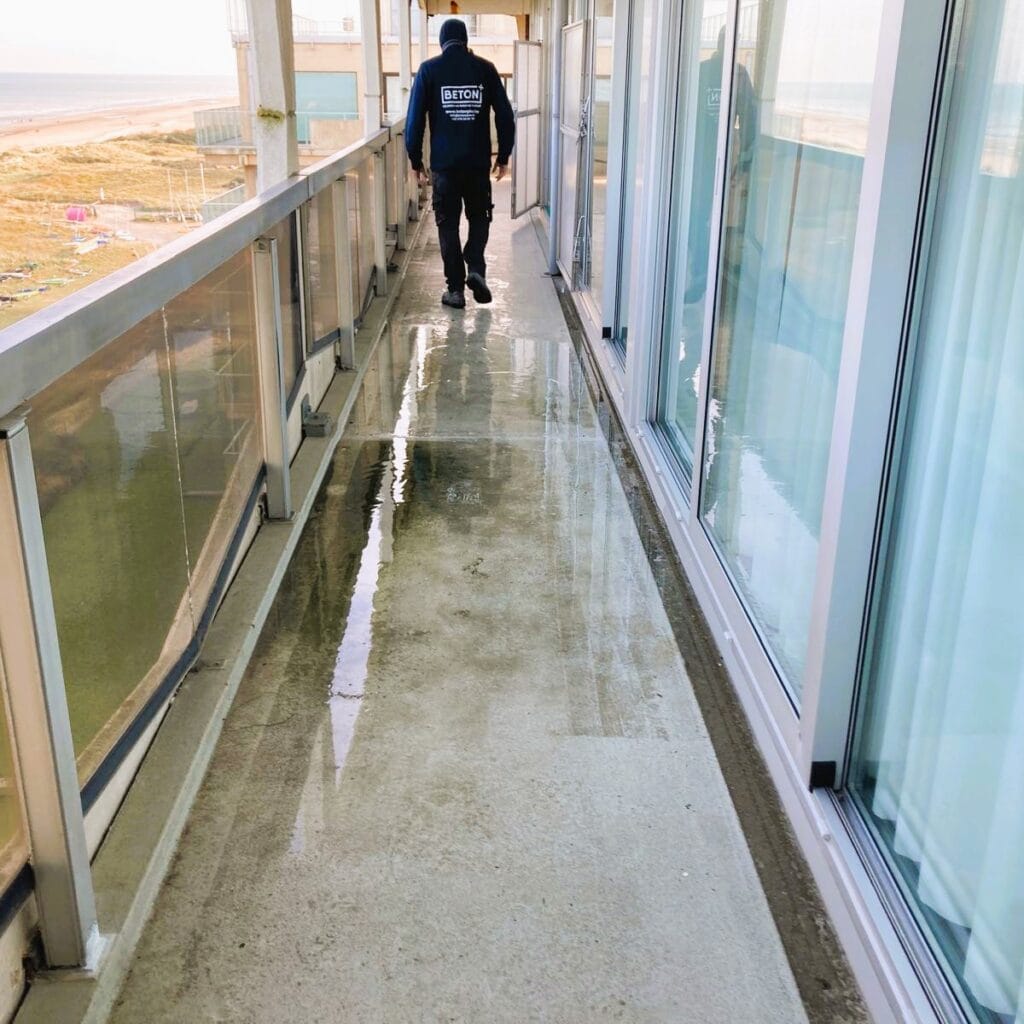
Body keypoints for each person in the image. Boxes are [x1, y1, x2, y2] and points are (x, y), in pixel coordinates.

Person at [405, 18, 515, 309]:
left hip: (444, 167)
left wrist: (415, 160)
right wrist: (503, 155)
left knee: (447, 225)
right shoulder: (485, 69)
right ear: (466, 40)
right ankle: (475, 266)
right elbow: (505, 115)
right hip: (477, 164)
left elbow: (414, 121)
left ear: (442, 41)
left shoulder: (429, 70)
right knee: (480, 217)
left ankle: (455, 290)